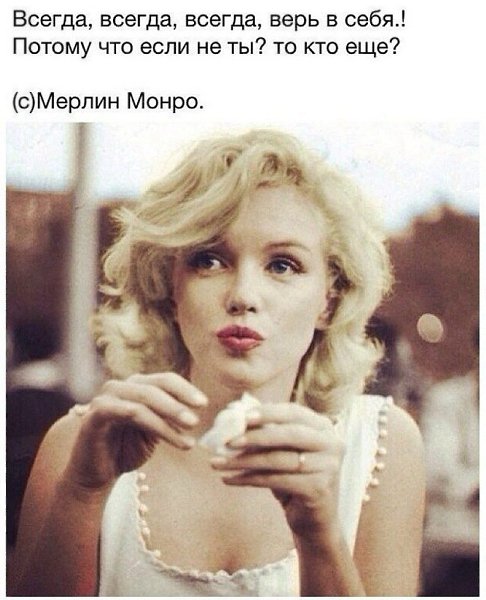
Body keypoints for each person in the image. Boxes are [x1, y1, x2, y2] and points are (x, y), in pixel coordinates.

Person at [9, 129, 425, 596]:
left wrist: (320, 536)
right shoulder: (80, 443)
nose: (243, 295)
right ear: (169, 287)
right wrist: (82, 493)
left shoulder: (382, 445)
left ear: (329, 300)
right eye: (208, 261)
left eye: (282, 265)